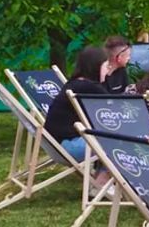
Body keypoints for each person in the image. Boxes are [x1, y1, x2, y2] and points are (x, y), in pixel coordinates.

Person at [43, 47, 111, 187]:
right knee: (119, 142)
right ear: (96, 66)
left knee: (106, 136)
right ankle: (101, 183)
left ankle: (100, 180)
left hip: (56, 146)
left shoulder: (74, 84)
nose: (108, 70)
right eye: (106, 65)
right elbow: (115, 110)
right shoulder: (91, 88)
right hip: (70, 147)